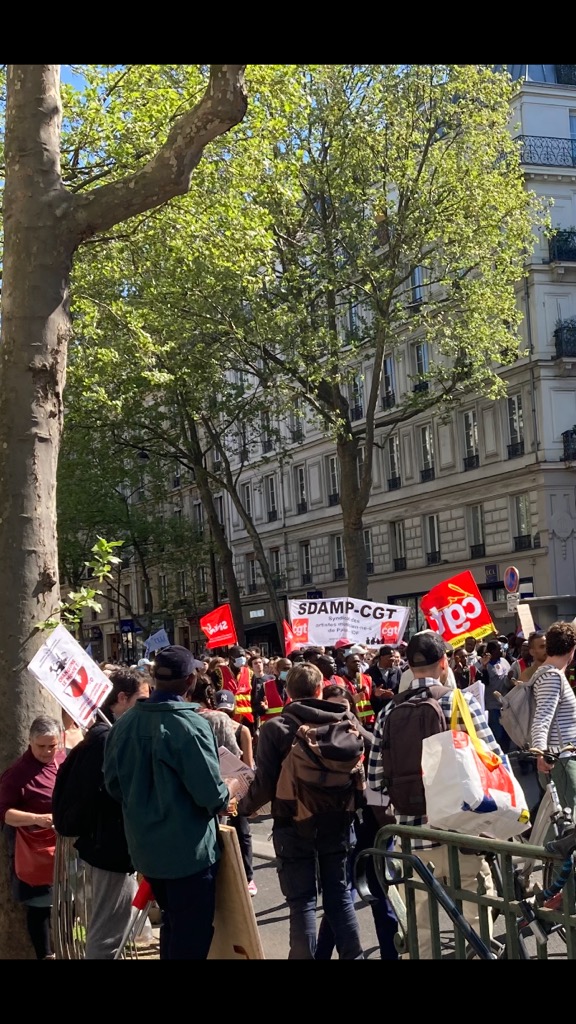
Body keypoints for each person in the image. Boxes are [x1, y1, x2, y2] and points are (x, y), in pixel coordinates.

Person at [368, 632, 501, 959]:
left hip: (413, 839)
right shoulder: (461, 702)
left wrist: (393, 822)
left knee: (419, 930)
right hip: (463, 833)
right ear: (444, 663)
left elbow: (373, 782)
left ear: (409, 668)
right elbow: (492, 759)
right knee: (478, 921)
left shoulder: (388, 713)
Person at [104, 645, 235, 960]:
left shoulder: (124, 724)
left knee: (174, 927)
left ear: (153, 676)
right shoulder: (190, 726)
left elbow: (112, 786)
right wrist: (231, 787)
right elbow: (210, 795)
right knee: (190, 935)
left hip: (146, 850)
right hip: (188, 855)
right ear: (190, 681)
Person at [238, 662, 364, 959]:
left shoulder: (276, 728)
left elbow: (265, 784)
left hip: (292, 823)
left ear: (286, 692)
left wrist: (242, 808)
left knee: (303, 902)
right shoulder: (346, 722)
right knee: (339, 898)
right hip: (338, 819)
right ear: (320, 689)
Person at [52, 667, 151, 959]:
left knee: (110, 928)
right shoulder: (107, 739)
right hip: (109, 848)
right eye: (141, 700)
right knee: (108, 935)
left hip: (103, 846)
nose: (147, 707)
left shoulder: (101, 735)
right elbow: (113, 793)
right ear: (122, 698)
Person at [0, 715, 65, 959]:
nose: (48, 751)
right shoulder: (17, 774)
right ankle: (45, 954)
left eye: (52, 745)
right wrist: (37, 819)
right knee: (39, 907)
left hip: (62, 848)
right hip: (34, 851)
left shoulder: (60, 759)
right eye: (42, 746)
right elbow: (5, 813)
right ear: (30, 741)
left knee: (62, 904)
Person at [214, 689, 257, 895]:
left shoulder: (242, 731)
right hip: (219, 785)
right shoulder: (209, 727)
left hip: (236, 786)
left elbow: (248, 765)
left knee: (242, 830)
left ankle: (248, 876)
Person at [531, 621, 576, 819]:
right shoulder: (551, 677)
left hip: (560, 759)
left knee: (561, 822)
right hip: (561, 760)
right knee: (569, 820)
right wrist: (541, 753)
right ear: (572, 649)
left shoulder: (551, 674)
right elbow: (542, 717)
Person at [476, 639, 512, 751]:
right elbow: (483, 682)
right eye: (499, 648)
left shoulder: (504, 661)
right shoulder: (481, 666)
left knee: (507, 735)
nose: (502, 650)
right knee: (497, 735)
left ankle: (507, 755)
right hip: (492, 706)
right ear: (491, 651)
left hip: (505, 705)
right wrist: (485, 667)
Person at [211, 645, 255, 731]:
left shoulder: (250, 673)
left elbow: (254, 698)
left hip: (247, 719)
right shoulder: (218, 673)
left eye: (243, 656)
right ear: (231, 658)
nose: (242, 658)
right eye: (239, 656)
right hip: (227, 719)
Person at [337, 651, 375, 728]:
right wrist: (354, 698)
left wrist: (377, 694)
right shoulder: (341, 681)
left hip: (368, 719)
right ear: (346, 664)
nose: (357, 663)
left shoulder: (367, 678)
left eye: (358, 661)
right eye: (354, 662)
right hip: (352, 719)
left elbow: (372, 695)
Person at [367, 646, 401, 716]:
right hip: (376, 712)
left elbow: (401, 689)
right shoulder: (369, 672)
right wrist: (375, 693)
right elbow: (365, 693)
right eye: (390, 656)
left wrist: (394, 695)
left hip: (393, 711)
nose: (393, 659)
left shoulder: (397, 671)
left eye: (394, 657)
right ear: (381, 657)